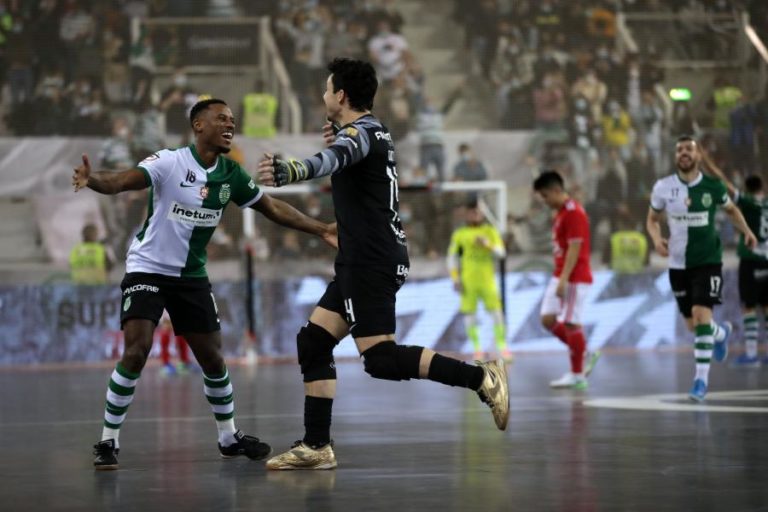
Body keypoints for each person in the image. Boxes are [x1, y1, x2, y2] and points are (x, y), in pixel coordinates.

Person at [256, 57, 509, 470]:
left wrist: (291, 169)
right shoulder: (368, 132)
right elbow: (345, 159)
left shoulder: (359, 134)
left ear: (340, 95)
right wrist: (336, 138)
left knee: (381, 359)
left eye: (326, 89)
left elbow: (331, 160)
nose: (322, 95)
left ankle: (482, 378)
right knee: (313, 342)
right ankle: (317, 446)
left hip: (370, 262)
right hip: (360, 258)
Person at [72, 98, 337, 470]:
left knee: (213, 358)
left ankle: (229, 439)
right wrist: (92, 180)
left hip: (191, 276)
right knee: (137, 350)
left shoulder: (232, 174)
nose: (230, 125)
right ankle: (107, 441)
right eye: (221, 119)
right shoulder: (169, 161)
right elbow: (120, 182)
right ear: (198, 125)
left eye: (233, 120)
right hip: (148, 268)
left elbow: (272, 208)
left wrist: (322, 228)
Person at [646, 135, 757, 402]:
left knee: (700, 314)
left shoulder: (712, 186)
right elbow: (652, 219)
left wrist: (747, 232)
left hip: (707, 261)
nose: (684, 153)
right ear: (676, 157)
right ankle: (722, 333)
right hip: (678, 264)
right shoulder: (662, 187)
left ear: (698, 157)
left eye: (689, 149)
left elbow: (731, 211)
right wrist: (655, 239)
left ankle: (700, 381)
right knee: (693, 325)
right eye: (679, 150)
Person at [533, 171, 600, 390]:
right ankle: (583, 351)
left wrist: (563, 279)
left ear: (555, 190)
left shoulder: (573, 213)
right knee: (548, 319)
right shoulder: (561, 213)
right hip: (560, 273)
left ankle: (577, 374)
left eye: (545, 196)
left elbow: (575, 247)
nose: (544, 201)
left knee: (571, 322)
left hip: (574, 276)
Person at [700, 156, 768, 367]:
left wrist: (706, 163)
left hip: (751, 259)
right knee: (766, 307)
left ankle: (750, 355)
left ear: (747, 189)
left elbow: (723, 182)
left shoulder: (746, 202)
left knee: (748, 307)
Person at [447, 200, 511, 361]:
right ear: (466, 214)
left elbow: (501, 253)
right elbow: (452, 258)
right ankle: (477, 350)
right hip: (468, 282)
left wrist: (487, 244)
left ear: (482, 213)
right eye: (471, 212)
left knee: (496, 313)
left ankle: (502, 347)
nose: (474, 215)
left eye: (477, 212)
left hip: (487, 280)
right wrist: (455, 278)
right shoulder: (460, 234)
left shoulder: (489, 231)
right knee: (470, 315)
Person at [157, 311, 194, 375]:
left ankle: (184, 361)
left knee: (182, 337)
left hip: (178, 315)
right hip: (166, 313)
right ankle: (165, 365)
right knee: (165, 336)